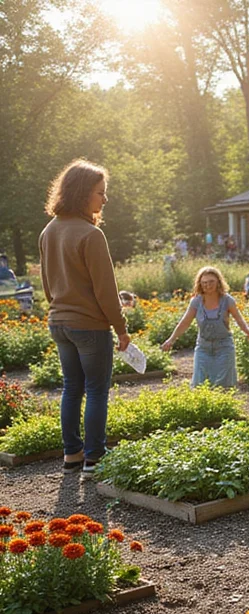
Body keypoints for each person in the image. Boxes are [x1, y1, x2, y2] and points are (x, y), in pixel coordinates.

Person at [39, 159, 130, 474]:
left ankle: (72, 455)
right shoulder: (91, 235)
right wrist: (121, 328)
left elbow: (47, 285)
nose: (105, 199)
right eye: (100, 192)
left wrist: (61, 308)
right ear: (82, 193)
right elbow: (106, 291)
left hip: (59, 323)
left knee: (71, 388)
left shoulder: (48, 231)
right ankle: (95, 456)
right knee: (96, 390)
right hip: (90, 326)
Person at [161, 265, 249, 388]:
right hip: (203, 347)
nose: (208, 285)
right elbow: (185, 322)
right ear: (200, 284)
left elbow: (239, 319)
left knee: (224, 385)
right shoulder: (196, 301)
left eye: (211, 282)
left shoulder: (227, 300)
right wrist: (171, 339)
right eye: (204, 283)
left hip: (224, 347)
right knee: (200, 384)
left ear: (218, 282)